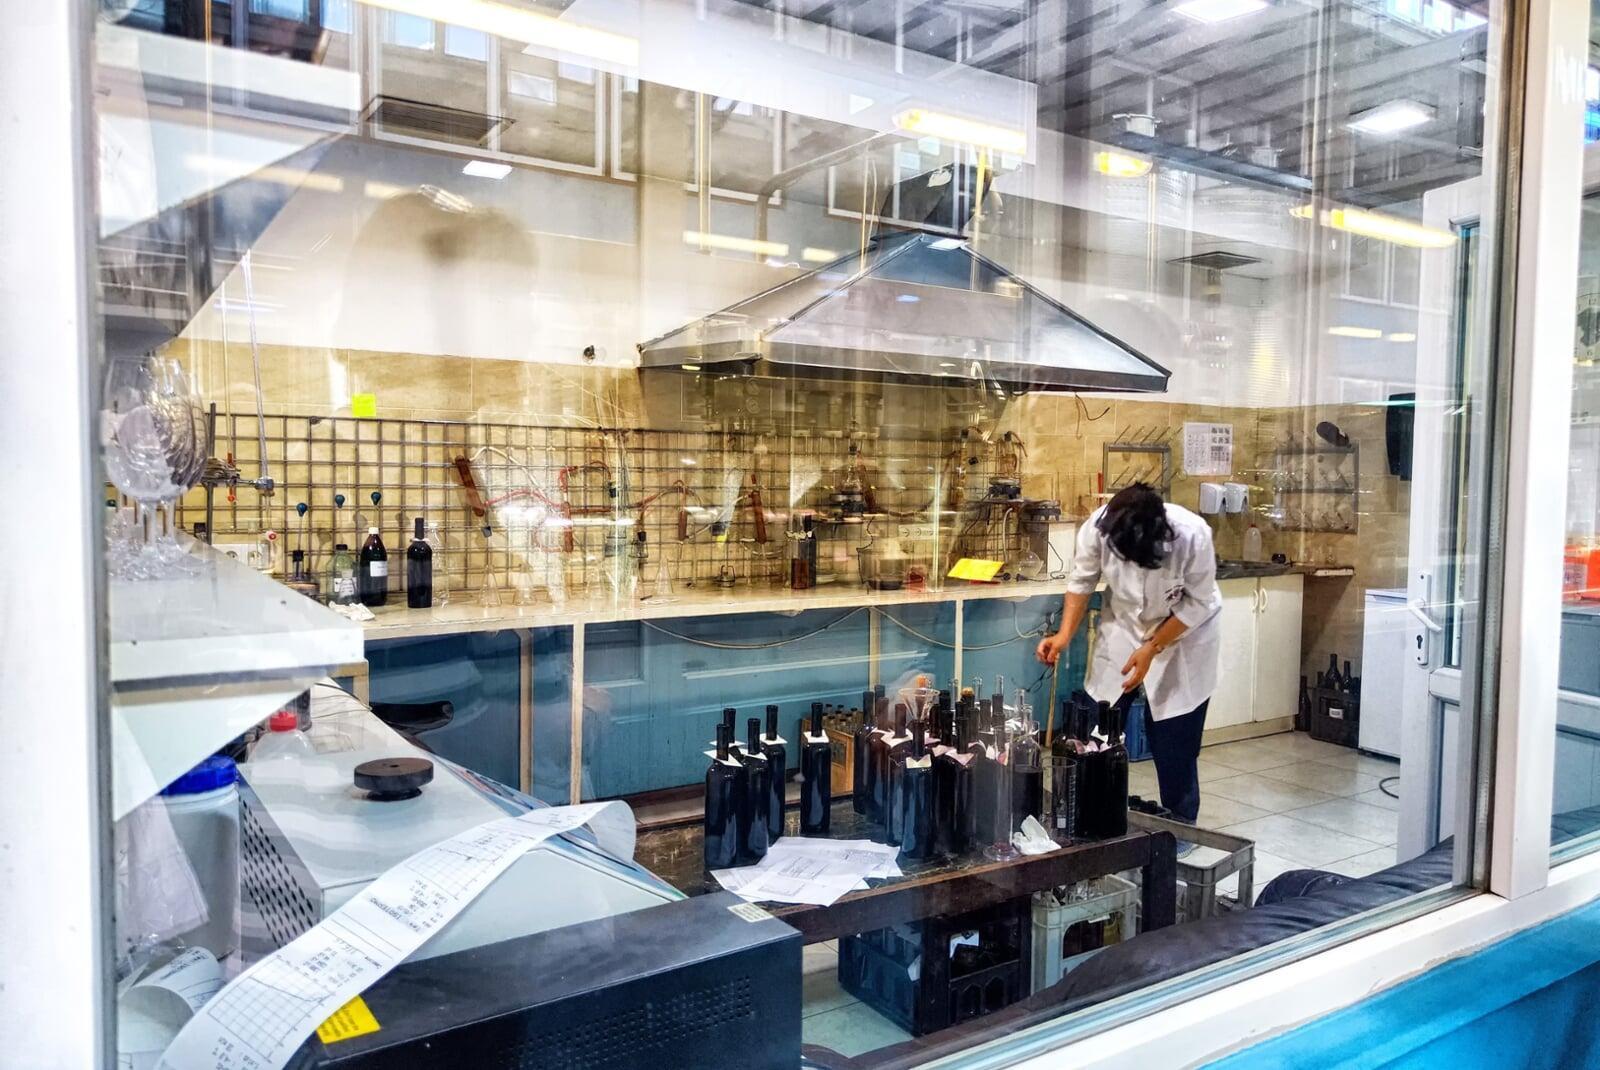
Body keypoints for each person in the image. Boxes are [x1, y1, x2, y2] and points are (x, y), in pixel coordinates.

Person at [1036, 483, 1221, 826]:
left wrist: (1153, 646)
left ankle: (1180, 824)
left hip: (1185, 635)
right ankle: (1089, 816)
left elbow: (1199, 602)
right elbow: (1081, 582)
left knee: (1174, 738)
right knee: (1095, 729)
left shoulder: (1193, 534)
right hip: (1122, 629)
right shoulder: (1096, 529)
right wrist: (1063, 636)